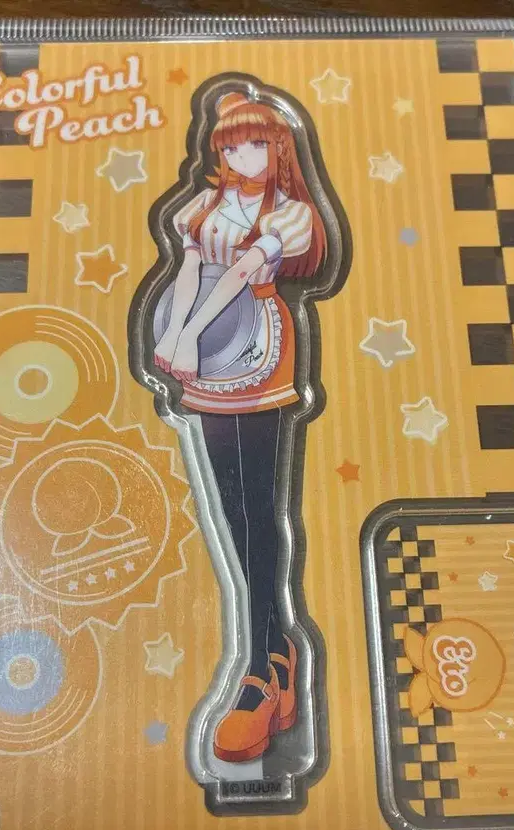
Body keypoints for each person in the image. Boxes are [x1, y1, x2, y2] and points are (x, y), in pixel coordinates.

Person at [152, 91, 328, 763]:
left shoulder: (290, 215)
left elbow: (240, 277)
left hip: (255, 346)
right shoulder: (205, 206)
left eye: (254, 144)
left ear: (277, 147)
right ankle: (276, 655)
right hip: (206, 355)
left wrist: (187, 335)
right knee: (229, 508)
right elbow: (190, 271)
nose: (241, 155)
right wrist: (173, 333)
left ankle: (261, 671)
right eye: (230, 145)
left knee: (259, 505)